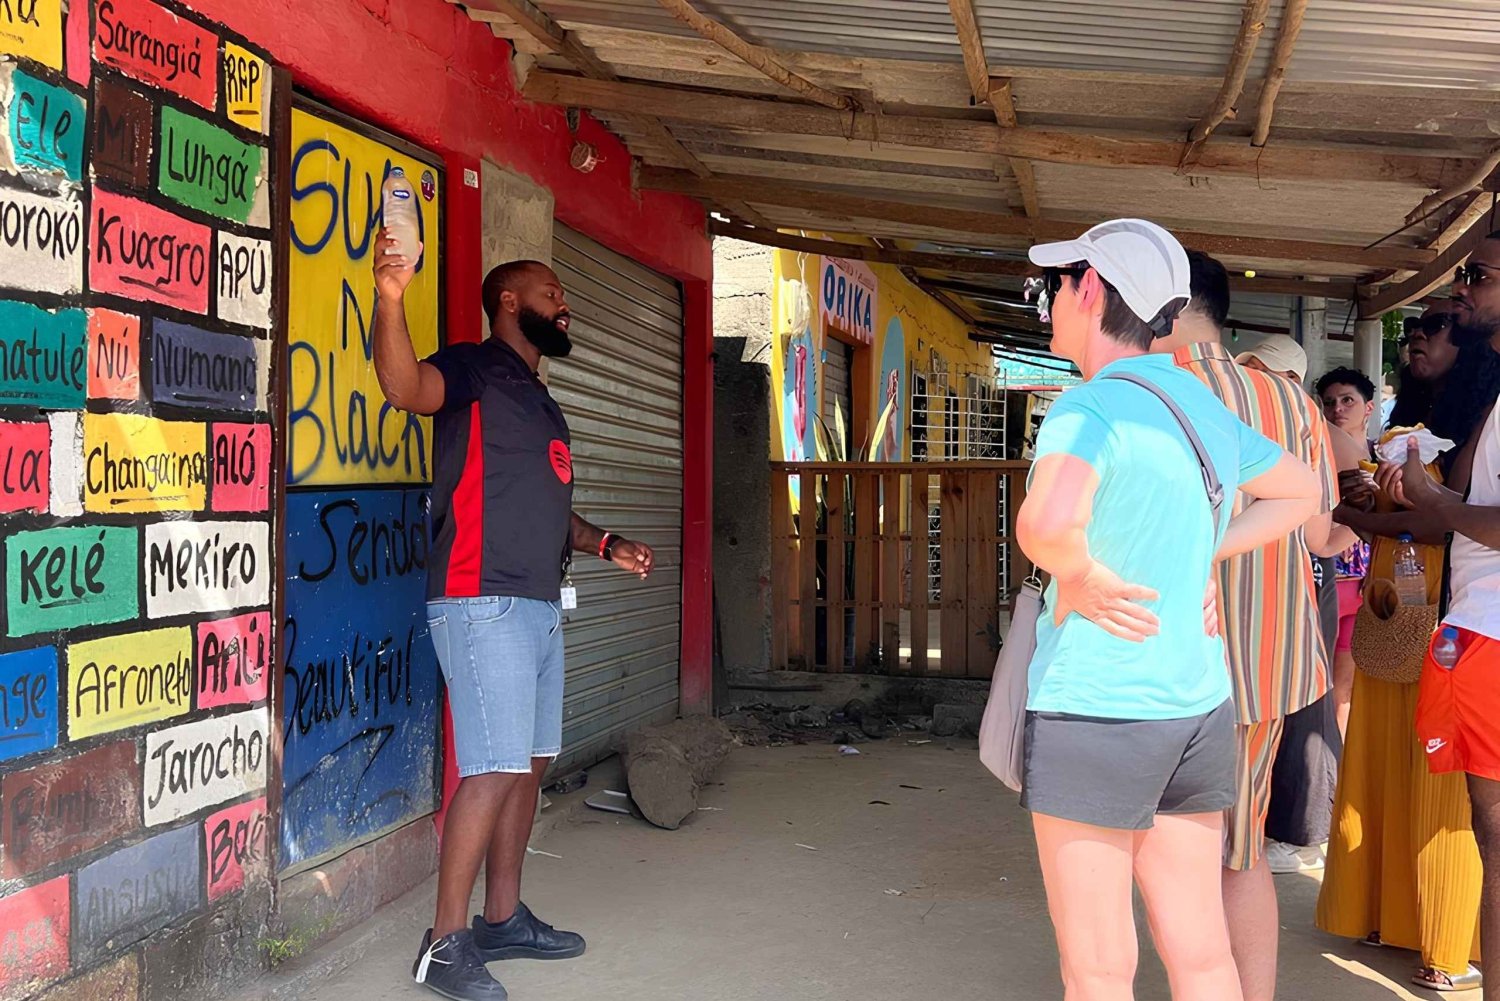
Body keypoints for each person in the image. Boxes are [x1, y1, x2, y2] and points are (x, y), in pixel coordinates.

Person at [1016, 219, 1319, 1001]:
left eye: (1053, 288)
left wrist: (1078, 574)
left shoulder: (1089, 407)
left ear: (1090, 289)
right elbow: (1302, 491)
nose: (1047, 304)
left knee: (1098, 966)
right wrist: (1206, 552)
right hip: (1196, 705)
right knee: (1202, 951)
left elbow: (1045, 525)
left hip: (1095, 708)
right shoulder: (1196, 401)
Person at [372, 240, 656, 1001]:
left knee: (528, 762)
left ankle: (501, 917)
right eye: (552, 293)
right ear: (508, 301)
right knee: (494, 765)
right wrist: (391, 297)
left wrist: (606, 543)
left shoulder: (539, 398)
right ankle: (442, 943)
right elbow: (404, 385)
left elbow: (547, 507)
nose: (566, 304)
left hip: (536, 602)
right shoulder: (473, 369)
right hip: (480, 598)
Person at [1152, 252, 1345, 1000]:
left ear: (1164, 306)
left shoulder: (1140, 389)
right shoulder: (1292, 401)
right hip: (1266, 659)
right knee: (1240, 848)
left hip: (1160, 661)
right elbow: (1319, 531)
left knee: (1166, 851)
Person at [1319, 279, 1498, 989]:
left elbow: (1446, 520)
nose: (1419, 334)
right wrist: (1373, 502)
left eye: (1437, 324)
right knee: (1386, 762)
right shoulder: (1413, 418)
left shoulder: (1481, 412)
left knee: (1443, 783)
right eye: (1415, 326)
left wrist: (1371, 513)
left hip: (1454, 617)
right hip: (1396, 603)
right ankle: (1389, 915)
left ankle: (1446, 939)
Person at [1316, 367, 1379, 737]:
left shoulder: (1386, 454)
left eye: (1347, 400)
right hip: (1324, 579)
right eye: (1329, 402)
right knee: (1315, 687)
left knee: (1345, 691)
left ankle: (1336, 767)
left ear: (1368, 407)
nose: (1337, 408)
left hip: (1367, 587)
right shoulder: (1317, 453)